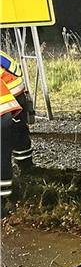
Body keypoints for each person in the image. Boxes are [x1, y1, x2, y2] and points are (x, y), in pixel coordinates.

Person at [1, 50, 33, 206]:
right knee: (15, 137)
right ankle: (26, 170)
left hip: (7, 99)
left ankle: (4, 201)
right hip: (12, 94)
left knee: (2, 150)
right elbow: (15, 68)